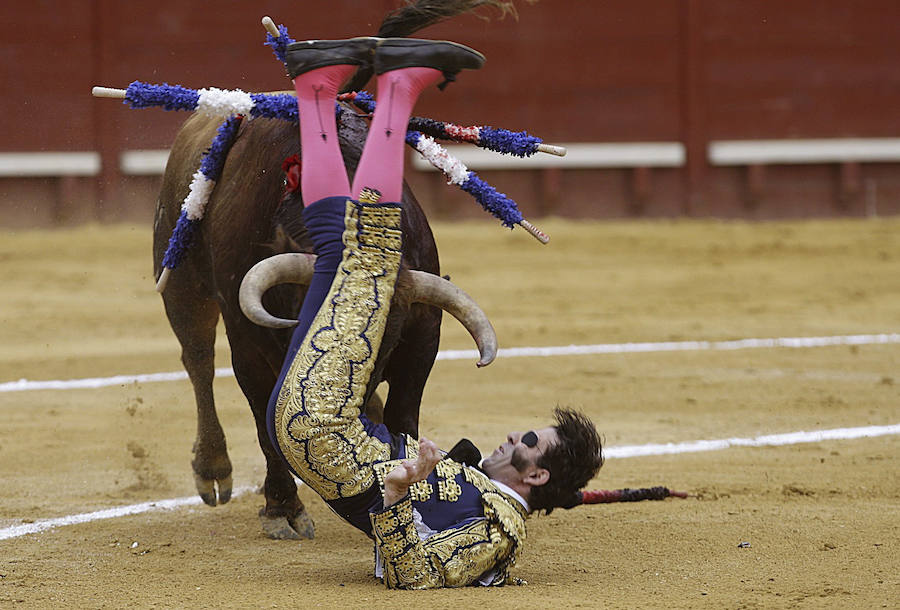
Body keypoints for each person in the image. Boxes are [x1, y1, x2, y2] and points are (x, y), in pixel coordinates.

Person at [264, 36, 604, 589]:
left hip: (324, 427)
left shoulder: (500, 531)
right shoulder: (478, 488)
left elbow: (416, 575)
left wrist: (396, 495)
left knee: (375, 251)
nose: (514, 437)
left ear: (537, 475)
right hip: (322, 427)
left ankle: (398, 86)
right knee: (338, 248)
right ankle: (316, 87)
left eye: (528, 442)